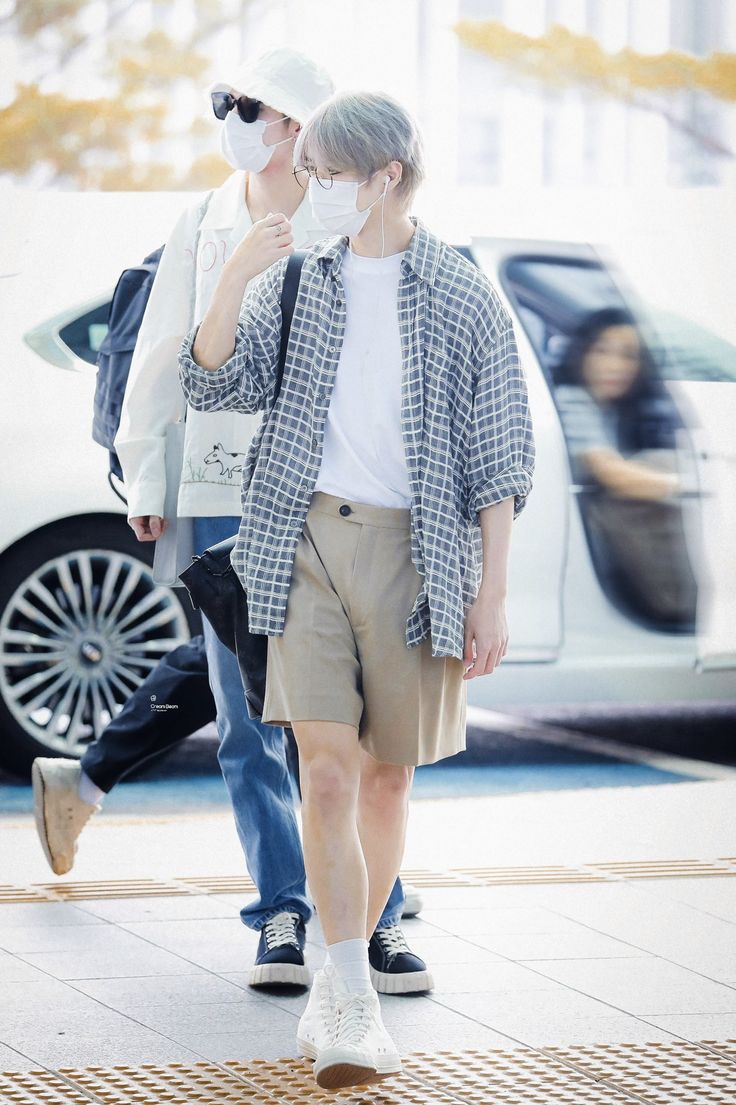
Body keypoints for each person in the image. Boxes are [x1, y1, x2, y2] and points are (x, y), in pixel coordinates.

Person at [32, 50, 430, 996]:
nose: (231, 119)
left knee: (344, 720)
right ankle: (283, 911)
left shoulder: (350, 211)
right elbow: (163, 348)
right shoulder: (205, 218)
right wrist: (143, 470)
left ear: (297, 124)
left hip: (329, 485)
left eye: (246, 106)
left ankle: (374, 912)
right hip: (219, 486)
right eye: (226, 104)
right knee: (249, 712)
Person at [178, 89, 535, 1091]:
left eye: (329, 174)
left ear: (383, 178)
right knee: (324, 773)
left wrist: (491, 596)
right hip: (302, 543)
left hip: (420, 556)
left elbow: (499, 453)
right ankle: (345, 996)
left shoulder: (460, 292)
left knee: (386, 780)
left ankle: (352, 967)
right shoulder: (299, 277)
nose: (312, 187)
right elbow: (215, 386)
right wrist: (235, 281)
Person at [554, 307, 697, 623]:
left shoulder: (610, 409)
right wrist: (692, 487)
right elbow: (612, 474)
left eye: (628, 355)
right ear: (583, 353)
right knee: (659, 464)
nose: (614, 365)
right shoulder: (571, 399)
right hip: (581, 535)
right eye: (602, 350)